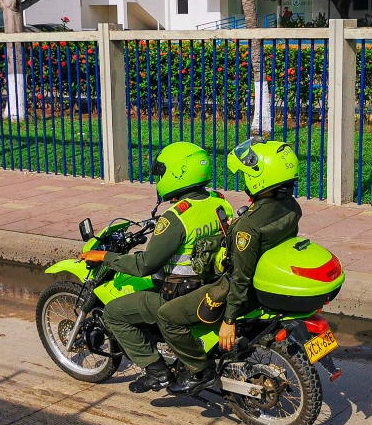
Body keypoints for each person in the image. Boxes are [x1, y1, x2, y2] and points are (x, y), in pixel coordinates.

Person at [85, 142, 232, 393]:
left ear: (177, 173)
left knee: (114, 313)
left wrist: (106, 257)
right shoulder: (219, 203)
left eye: (162, 172)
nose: (159, 179)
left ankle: (157, 371)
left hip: (180, 295)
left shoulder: (176, 218)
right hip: (212, 286)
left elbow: (144, 265)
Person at [159, 137, 302, 396]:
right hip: (263, 280)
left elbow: (240, 277)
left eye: (246, 175)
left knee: (167, 315)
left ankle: (199, 372)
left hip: (235, 291)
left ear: (259, 179)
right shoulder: (291, 206)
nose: (244, 180)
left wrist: (228, 320)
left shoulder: (248, 227)